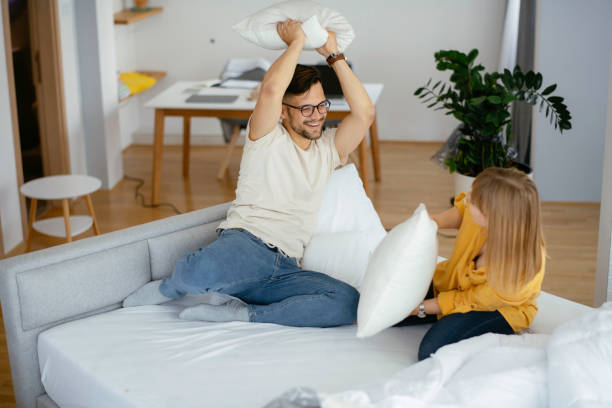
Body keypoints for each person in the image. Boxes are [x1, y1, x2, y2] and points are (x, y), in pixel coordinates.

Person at [122, 19, 375, 328]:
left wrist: (333, 55)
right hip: (246, 247)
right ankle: (169, 288)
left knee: (347, 302)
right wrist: (296, 42)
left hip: (284, 268)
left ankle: (242, 312)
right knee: (198, 272)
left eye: (321, 106)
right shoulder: (267, 136)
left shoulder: (329, 148)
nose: (317, 116)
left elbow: (365, 113)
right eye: (305, 108)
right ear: (283, 111)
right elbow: (271, 89)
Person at [398, 167, 546, 360]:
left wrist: (420, 308)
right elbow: (463, 211)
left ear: (494, 217)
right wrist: (437, 221)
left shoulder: (516, 273)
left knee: (430, 351)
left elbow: (468, 300)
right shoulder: (487, 217)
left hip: (492, 309)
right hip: (455, 285)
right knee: (392, 311)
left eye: (473, 200)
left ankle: (493, 335)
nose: (467, 199)